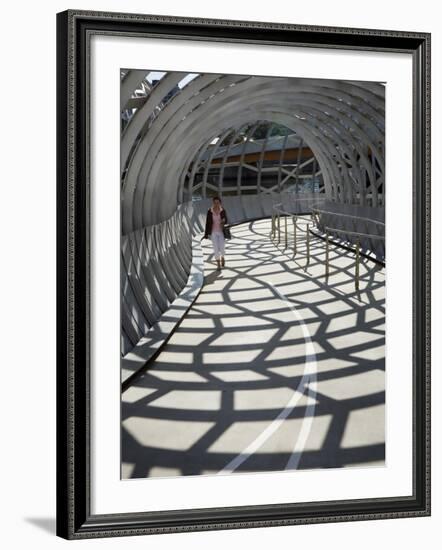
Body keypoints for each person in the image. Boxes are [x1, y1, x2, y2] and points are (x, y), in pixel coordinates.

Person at [204, 196, 228, 271]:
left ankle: (223, 257)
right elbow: (207, 223)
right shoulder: (210, 211)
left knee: (222, 247)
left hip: (221, 232)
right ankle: (218, 264)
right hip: (213, 232)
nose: (216, 204)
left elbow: (226, 220)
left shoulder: (222, 210)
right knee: (215, 248)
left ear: (220, 203)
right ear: (213, 203)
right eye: (215, 203)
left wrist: (223, 221)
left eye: (218, 202)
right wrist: (206, 234)